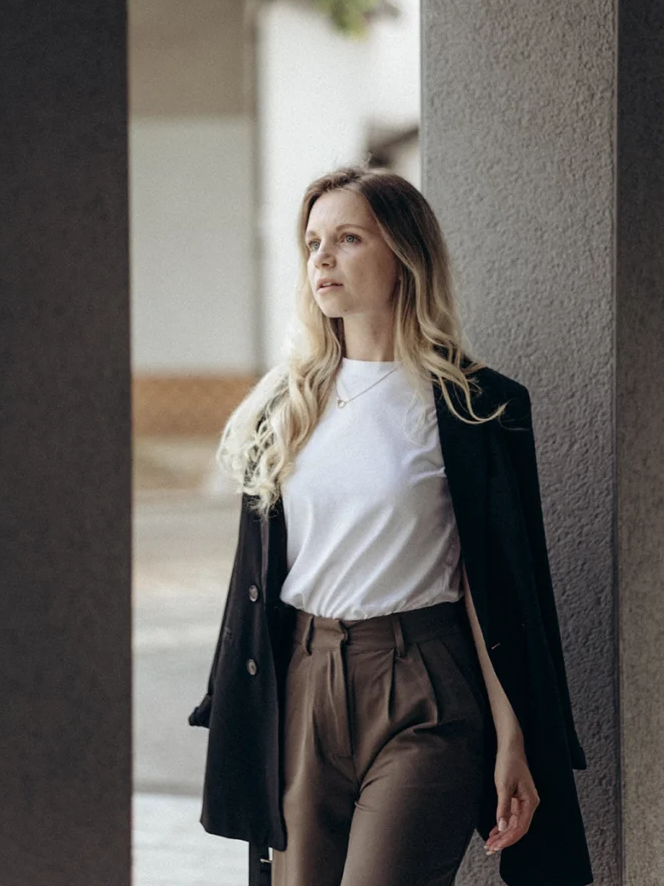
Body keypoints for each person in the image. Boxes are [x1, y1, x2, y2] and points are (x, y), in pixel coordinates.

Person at [188, 164, 593, 886]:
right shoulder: (286, 406)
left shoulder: (475, 407)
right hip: (303, 684)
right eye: (312, 241)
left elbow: (498, 589)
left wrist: (514, 738)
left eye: (347, 238)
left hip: (425, 688)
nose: (322, 257)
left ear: (403, 256)